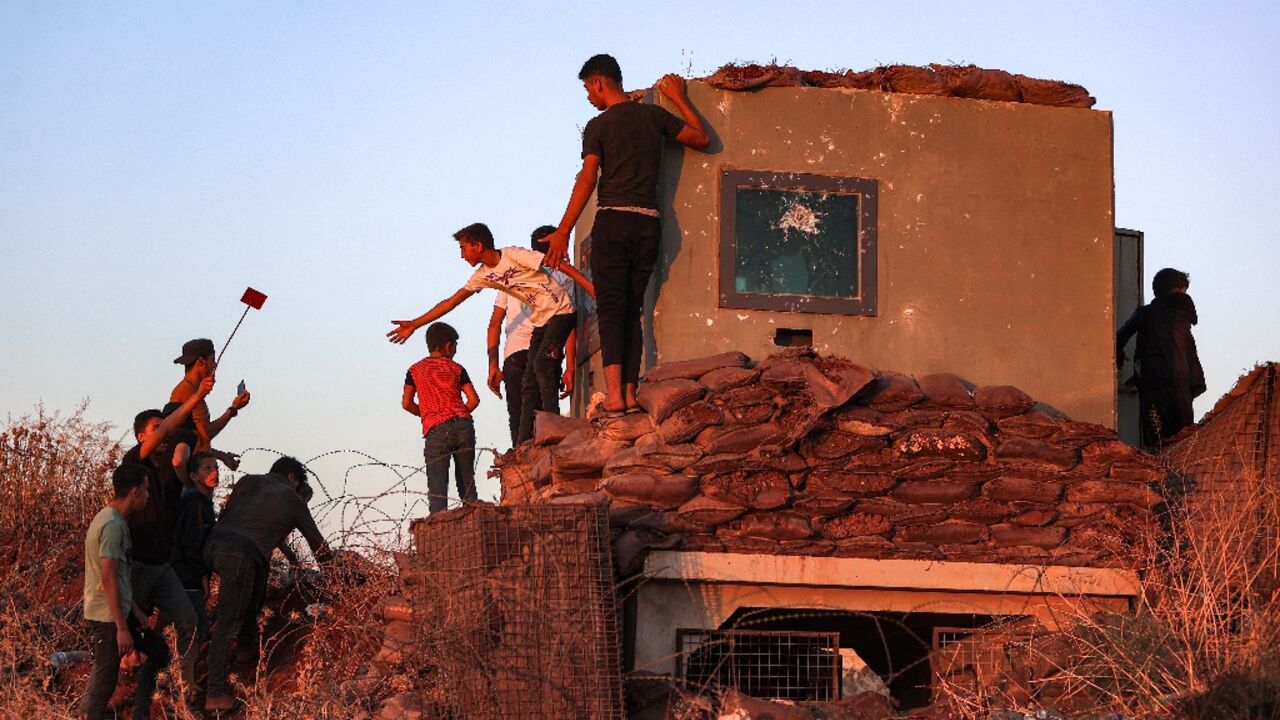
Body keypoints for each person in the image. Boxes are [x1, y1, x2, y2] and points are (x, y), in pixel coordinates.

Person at [541, 54, 710, 414]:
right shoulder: (653, 117)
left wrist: (562, 231)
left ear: (599, 82)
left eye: (588, 88)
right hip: (649, 223)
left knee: (612, 309)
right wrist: (679, 96)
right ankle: (630, 394)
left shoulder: (598, 127)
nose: (589, 96)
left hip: (614, 222)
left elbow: (588, 179)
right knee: (631, 310)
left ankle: (616, 396)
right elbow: (701, 138)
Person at [387, 222, 595, 442]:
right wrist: (414, 324)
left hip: (562, 310)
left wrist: (588, 286)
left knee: (543, 366)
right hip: (541, 318)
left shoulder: (513, 255)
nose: (462, 255)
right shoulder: (483, 275)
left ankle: (555, 426)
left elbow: (558, 264)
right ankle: (523, 443)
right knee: (528, 382)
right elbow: (450, 303)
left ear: (478, 246)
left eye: (464, 248)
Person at [203, 456, 334, 712]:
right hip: (241, 555)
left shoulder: (247, 481)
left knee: (258, 570)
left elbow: (241, 520)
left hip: (212, 545)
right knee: (229, 622)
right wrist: (337, 575)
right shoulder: (293, 499)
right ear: (293, 479)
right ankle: (215, 694)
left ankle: (246, 646)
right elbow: (319, 548)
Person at [120, 376, 214, 693]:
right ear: (140, 436)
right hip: (136, 566)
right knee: (127, 640)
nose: (164, 433)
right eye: (156, 428)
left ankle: (185, 687)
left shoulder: (162, 477)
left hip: (162, 567)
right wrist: (196, 396)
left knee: (188, 621)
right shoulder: (134, 463)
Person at [82, 463, 172, 720]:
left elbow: (118, 576)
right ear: (134, 491)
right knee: (105, 680)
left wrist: (133, 610)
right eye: (145, 489)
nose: (147, 495)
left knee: (160, 651)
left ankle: (140, 713)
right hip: (108, 616)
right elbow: (108, 576)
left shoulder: (115, 521)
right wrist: (122, 628)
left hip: (120, 611)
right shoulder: (111, 526)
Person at [486, 225, 580, 446]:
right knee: (545, 410)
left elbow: (494, 324)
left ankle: (521, 458)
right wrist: (571, 367)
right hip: (547, 346)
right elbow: (567, 321)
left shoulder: (513, 272)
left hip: (515, 352)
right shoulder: (564, 275)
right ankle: (554, 444)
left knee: (519, 417)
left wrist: (493, 364)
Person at [1116, 267, 1207, 447]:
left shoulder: (1146, 313)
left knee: (1156, 444)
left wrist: (1120, 357)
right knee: (1183, 444)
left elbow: (1119, 338)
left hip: (1154, 388)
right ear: (1180, 290)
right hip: (1183, 389)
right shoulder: (1184, 319)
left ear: (1157, 290)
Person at [403, 322, 480, 512]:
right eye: (455, 346)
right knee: (467, 485)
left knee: (438, 490)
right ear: (448, 346)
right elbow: (474, 400)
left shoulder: (414, 370)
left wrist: (429, 413)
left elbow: (406, 403)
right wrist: (459, 413)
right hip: (463, 425)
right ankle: (474, 525)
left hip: (436, 429)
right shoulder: (457, 368)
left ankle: (440, 536)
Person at [170, 451, 219, 653]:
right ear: (193, 476)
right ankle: (182, 679)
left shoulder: (200, 502)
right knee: (196, 630)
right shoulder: (196, 504)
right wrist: (203, 576)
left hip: (180, 572)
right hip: (185, 574)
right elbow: (192, 544)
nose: (215, 472)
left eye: (216, 467)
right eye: (207, 469)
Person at [169, 338, 251, 453]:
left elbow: (197, 438)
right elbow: (206, 433)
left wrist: (221, 455)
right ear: (201, 362)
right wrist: (232, 409)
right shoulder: (187, 392)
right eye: (212, 360)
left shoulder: (186, 390)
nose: (215, 365)